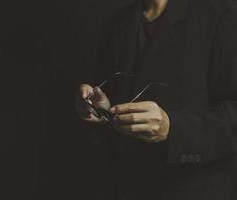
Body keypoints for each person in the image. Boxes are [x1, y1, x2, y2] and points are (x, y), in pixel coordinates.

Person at [75, 0, 237, 199]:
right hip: (124, 188)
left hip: (193, 190)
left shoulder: (223, 13)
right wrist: (102, 111)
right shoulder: (116, 24)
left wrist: (173, 128)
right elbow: (113, 126)